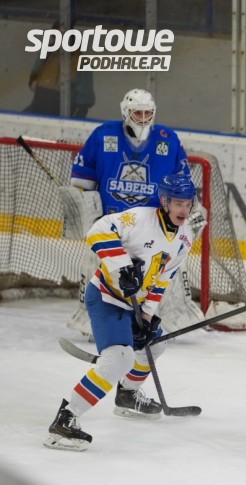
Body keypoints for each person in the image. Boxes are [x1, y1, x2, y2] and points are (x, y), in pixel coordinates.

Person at [44, 174, 199, 452]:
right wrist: (123, 266)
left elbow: (163, 278)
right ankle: (64, 420)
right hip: (107, 298)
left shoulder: (185, 237)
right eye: (179, 203)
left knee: (156, 343)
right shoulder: (139, 219)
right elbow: (97, 230)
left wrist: (147, 316)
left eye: (188, 204)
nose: (184, 210)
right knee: (120, 358)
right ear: (164, 202)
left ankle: (127, 394)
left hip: (135, 304)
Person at [64, 88, 199, 339]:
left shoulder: (168, 140)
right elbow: (82, 183)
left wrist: (188, 215)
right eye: (138, 113)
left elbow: (184, 187)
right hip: (115, 226)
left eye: (148, 113)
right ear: (126, 112)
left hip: (153, 226)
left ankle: (163, 317)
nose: (144, 118)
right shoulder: (103, 135)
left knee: (160, 273)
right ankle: (96, 321)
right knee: (102, 272)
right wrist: (85, 207)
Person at [23, 21, 95, 118]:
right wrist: (33, 81)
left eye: (64, 35)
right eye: (57, 35)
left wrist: (77, 117)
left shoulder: (80, 61)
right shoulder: (47, 53)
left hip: (62, 110)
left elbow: (84, 98)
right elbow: (35, 73)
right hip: (39, 104)